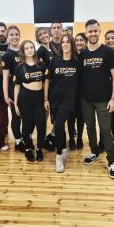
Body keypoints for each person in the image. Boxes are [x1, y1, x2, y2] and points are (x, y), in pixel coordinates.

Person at [80, 19, 114, 179]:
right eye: (90, 31)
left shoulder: (108, 51)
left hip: (104, 99)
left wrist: (113, 98)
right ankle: (94, 152)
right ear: (86, 32)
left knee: (105, 130)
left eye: (95, 31)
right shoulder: (82, 53)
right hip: (86, 99)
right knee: (90, 127)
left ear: (99, 31)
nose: (93, 33)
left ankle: (111, 161)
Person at [44, 33, 80, 173]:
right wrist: (46, 98)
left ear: (72, 44)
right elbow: (47, 80)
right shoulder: (55, 60)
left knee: (58, 126)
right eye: (63, 42)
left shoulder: (77, 61)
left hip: (69, 100)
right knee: (58, 128)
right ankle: (63, 149)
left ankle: (59, 156)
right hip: (55, 100)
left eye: (68, 42)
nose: (65, 44)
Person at [14, 40, 47, 162]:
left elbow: (45, 82)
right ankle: (28, 148)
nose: (29, 50)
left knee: (41, 125)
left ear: (34, 49)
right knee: (27, 126)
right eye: (26, 48)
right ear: (23, 51)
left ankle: (39, 149)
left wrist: (46, 99)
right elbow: (17, 87)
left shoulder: (41, 64)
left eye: (31, 47)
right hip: (25, 99)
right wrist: (15, 104)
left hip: (39, 99)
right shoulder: (19, 67)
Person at [2, 26, 25, 152]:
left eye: (16, 34)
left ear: (19, 35)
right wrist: (6, 96)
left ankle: (26, 138)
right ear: (7, 37)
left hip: (27, 89)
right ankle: (18, 141)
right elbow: (5, 77)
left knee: (27, 116)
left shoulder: (24, 50)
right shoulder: (7, 55)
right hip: (13, 90)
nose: (14, 37)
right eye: (11, 35)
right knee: (16, 116)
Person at [67, 33, 87, 150]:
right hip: (71, 92)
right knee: (70, 118)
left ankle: (79, 138)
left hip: (83, 93)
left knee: (81, 117)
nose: (79, 42)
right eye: (77, 40)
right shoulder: (71, 56)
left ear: (85, 41)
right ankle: (71, 139)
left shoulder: (87, 55)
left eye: (81, 40)